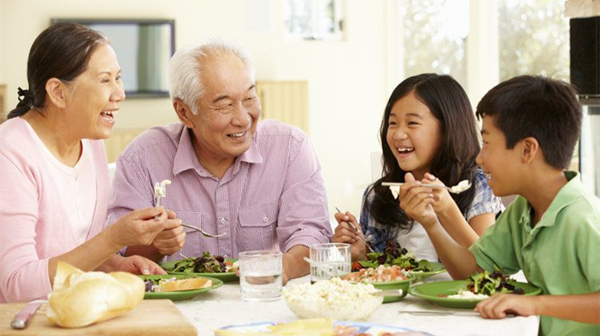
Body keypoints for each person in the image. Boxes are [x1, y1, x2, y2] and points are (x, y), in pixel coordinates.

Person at [107, 39, 332, 283]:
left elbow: (312, 234)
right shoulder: (142, 158)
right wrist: (156, 246)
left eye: (249, 99)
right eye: (225, 105)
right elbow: (117, 257)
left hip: (264, 301)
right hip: (179, 309)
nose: (244, 119)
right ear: (184, 112)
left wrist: (283, 268)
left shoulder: (289, 147)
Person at [0, 23, 185, 303]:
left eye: (118, 78)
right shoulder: (10, 152)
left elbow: (75, 251)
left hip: (73, 314)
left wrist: (115, 264)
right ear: (58, 92)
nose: (119, 93)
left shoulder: (91, 143)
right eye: (105, 80)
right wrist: (114, 238)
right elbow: (15, 286)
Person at [410, 75, 600, 335]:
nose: (479, 157)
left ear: (527, 150)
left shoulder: (584, 218)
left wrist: (533, 304)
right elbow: (475, 272)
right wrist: (431, 223)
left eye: (487, 143)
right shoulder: (523, 210)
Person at [333, 74, 503, 262]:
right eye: (393, 123)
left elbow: (487, 264)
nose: (398, 134)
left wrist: (446, 212)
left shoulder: (477, 185)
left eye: (412, 123)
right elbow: (380, 272)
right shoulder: (377, 195)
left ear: (448, 128)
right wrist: (362, 253)